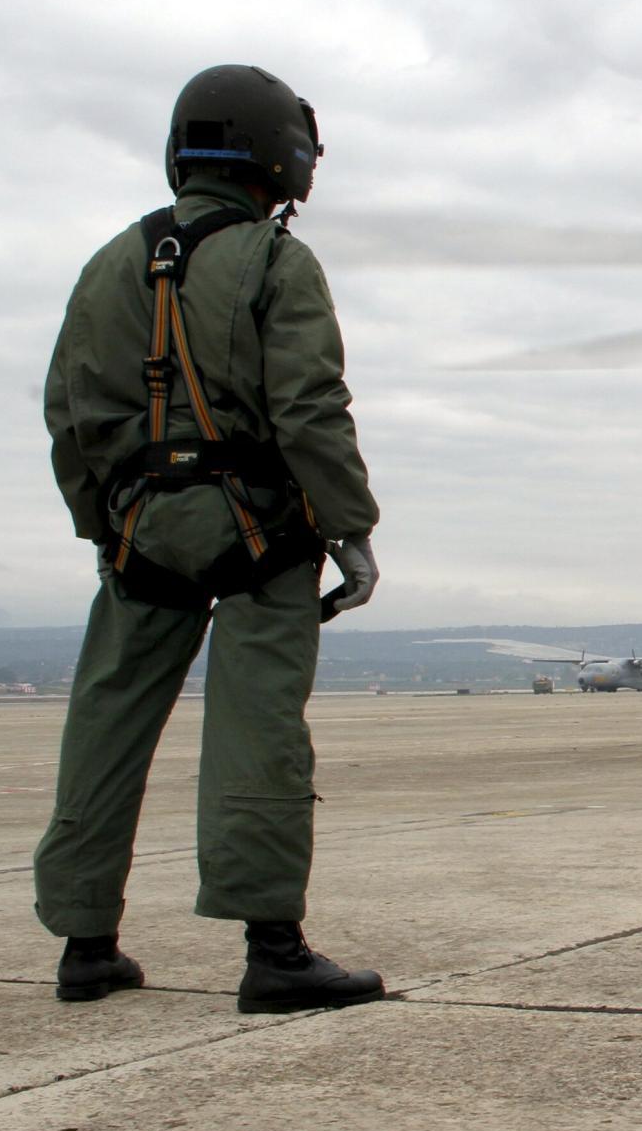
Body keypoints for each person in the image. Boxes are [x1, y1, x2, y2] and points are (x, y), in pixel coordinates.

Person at [37, 64, 384, 1012]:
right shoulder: (275, 261)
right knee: (258, 726)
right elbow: (311, 408)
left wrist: (102, 528)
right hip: (260, 531)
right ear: (283, 157)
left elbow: (66, 416)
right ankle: (272, 947)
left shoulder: (107, 264)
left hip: (138, 533)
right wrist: (350, 529)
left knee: (106, 725)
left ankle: (84, 942)